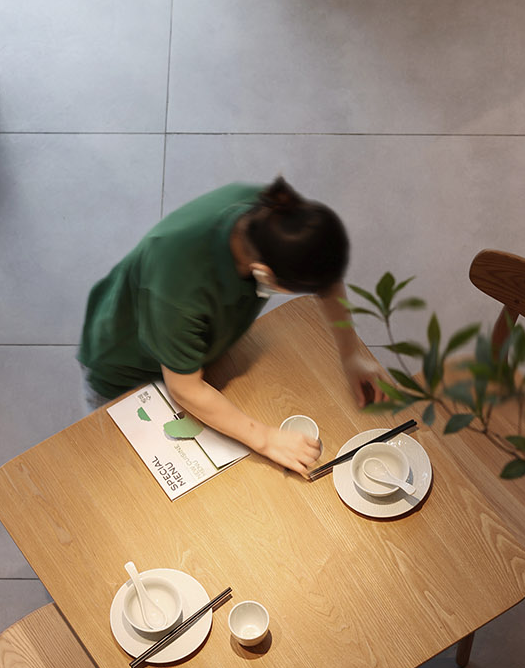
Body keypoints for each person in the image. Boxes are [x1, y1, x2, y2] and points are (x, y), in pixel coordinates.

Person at [77, 177, 385, 476]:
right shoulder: (180, 288)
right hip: (126, 368)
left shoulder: (271, 217)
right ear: (263, 272)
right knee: (122, 472)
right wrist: (266, 439)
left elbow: (327, 284)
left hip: (188, 353)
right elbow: (184, 389)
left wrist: (350, 354)